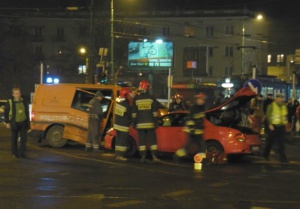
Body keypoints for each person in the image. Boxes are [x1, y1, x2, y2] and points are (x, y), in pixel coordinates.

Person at [132, 80, 160, 163]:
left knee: (142, 141)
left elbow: (134, 113)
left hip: (140, 125)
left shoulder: (136, 99)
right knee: (153, 141)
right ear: (148, 88)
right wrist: (156, 122)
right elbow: (155, 112)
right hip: (150, 124)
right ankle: (154, 156)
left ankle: (143, 156)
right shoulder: (152, 98)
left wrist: (134, 122)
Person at [174, 93, 207, 162]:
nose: (201, 101)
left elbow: (201, 120)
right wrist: (192, 130)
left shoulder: (202, 108)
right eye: (200, 100)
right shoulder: (194, 108)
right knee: (197, 145)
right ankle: (177, 155)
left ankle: (201, 159)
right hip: (193, 131)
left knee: (198, 146)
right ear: (197, 100)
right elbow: (190, 120)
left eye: (202, 100)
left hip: (198, 131)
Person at [4, 88, 30, 158]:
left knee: (24, 139)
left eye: (19, 93)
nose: (18, 95)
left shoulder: (24, 101)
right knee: (14, 139)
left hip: (23, 123)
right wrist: (7, 122)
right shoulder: (10, 101)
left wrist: (28, 123)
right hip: (14, 123)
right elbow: (6, 112)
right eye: (16, 93)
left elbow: (27, 112)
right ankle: (14, 153)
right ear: (13, 94)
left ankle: (23, 153)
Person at [263, 93, 289, 163]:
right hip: (274, 126)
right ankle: (265, 155)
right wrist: (270, 124)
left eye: (281, 98)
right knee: (270, 142)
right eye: (278, 98)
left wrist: (286, 124)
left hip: (281, 126)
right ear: (276, 98)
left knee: (281, 142)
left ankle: (283, 158)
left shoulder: (284, 106)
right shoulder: (271, 106)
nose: (280, 99)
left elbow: (285, 116)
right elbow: (268, 115)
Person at [114, 87, 132, 161]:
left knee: (118, 140)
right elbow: (130, 115)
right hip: (123, 126)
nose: (130, 95)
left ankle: (117, 154)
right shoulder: (126, 104)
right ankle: (120, 156)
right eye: (129, 93)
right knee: (123, 140)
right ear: (126, 94)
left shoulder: (119, 103)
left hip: (117, 125)